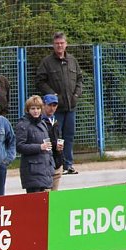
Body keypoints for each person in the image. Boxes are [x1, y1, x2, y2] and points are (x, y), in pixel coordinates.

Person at [36, 32, 83, 175]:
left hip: (70, 106)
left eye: (62, 43)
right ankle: (56, 165)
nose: (60, 46)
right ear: (53, 45)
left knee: (69, 135)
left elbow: (80, 79)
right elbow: (40, 81)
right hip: (55, 108)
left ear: (66, 44)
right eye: (57, 43)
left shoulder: (72, 60)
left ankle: (68, 164)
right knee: (56, 136)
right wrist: (52, 95)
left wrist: (76, 95)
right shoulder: (47, 62)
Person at [15, 95, 55, 193]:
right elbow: (20, 146)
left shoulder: (43, 123)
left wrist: (51, 164)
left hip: (45, 169)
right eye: (33, 108)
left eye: (38, 108)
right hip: (32, 170)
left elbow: (47, 146)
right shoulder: (23, 124)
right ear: (28, 110)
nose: (36, 111)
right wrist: (39, 147)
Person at [41, 93, 64, 190]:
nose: (52, 108)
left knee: (55, 196)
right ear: (43, 105)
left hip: (57, 162)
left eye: (54, 105)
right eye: (49, 105)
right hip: (45, 163)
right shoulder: (40, 121)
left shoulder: (55, 121)